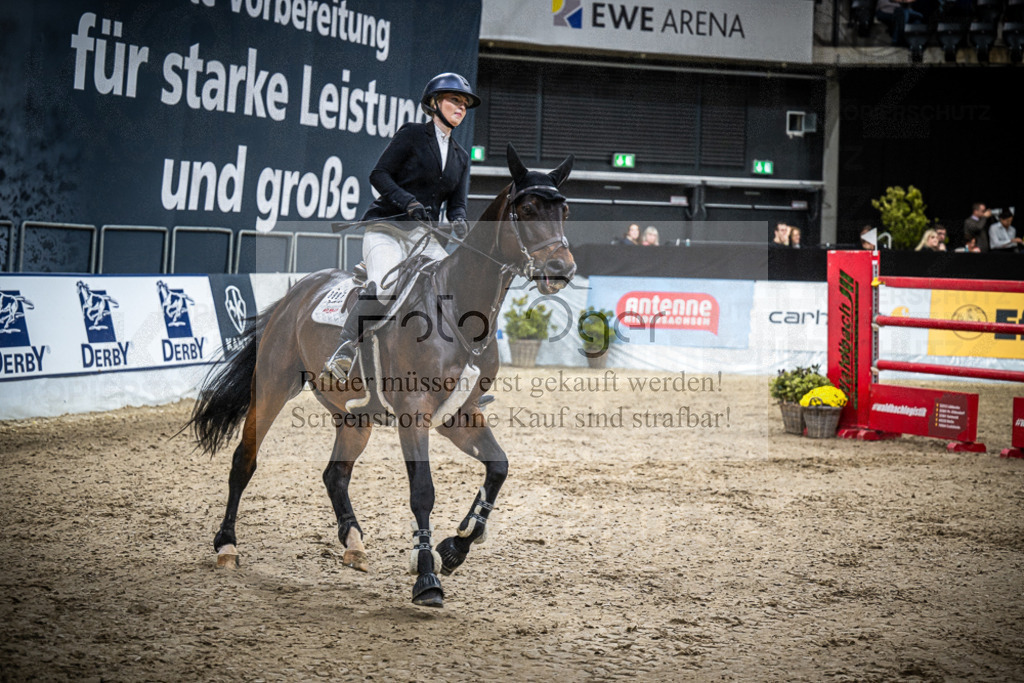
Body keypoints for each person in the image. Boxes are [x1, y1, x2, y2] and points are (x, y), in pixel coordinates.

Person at [323, 72, 480, 381]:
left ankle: (460, 370)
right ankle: (344, 349)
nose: (460, 108)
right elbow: (379, 174)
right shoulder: (411, 135)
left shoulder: (461, 156)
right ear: (434, 103)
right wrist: (408, 202)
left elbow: (457, 203)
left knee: (452, 291)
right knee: (384, 287)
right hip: (388, 229)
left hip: (426, 238)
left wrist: (459, 220)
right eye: (454, 101)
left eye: (464, 104)